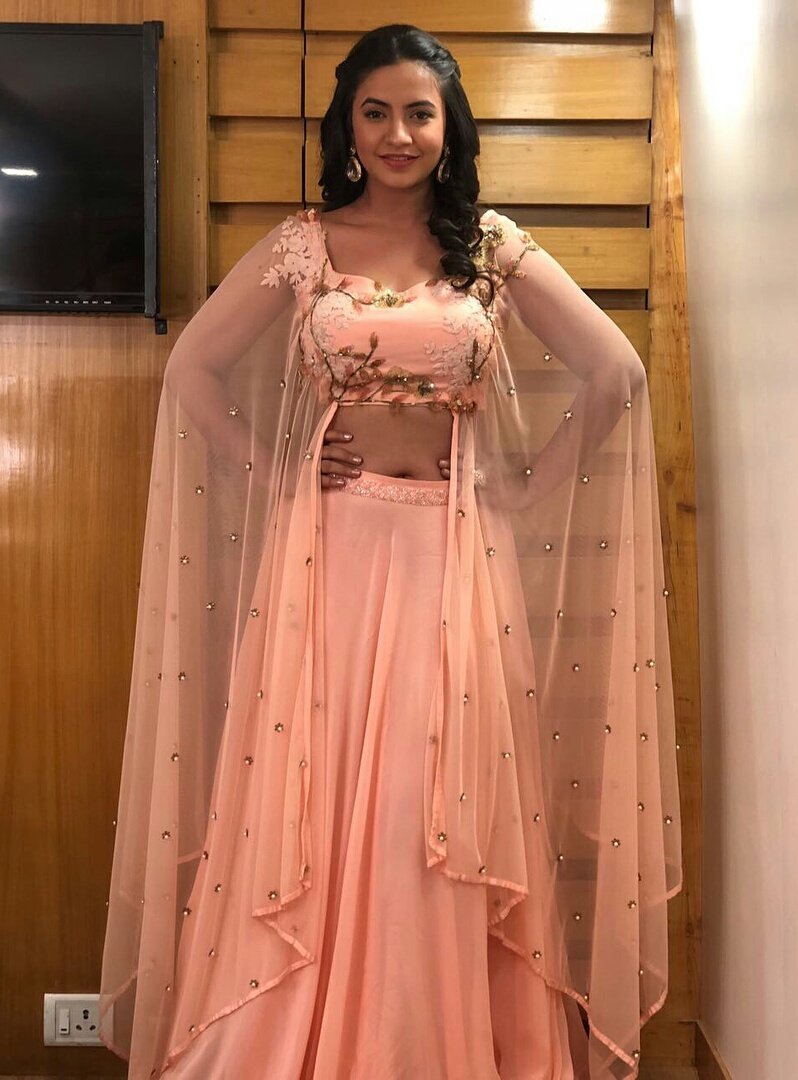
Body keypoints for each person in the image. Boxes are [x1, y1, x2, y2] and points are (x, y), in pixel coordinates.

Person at [99, 23, 683, 1080]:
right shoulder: (307, 243)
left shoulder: (490, 246)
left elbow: (617, 372)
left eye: (420, 112)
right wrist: (277, 471)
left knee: (432, 796)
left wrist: (525, 482)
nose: (399, 133)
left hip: (453, 558)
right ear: (349, 126)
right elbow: (191, 373)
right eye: (377, 112)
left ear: (450, 126)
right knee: (319, 797)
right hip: (329, 551)